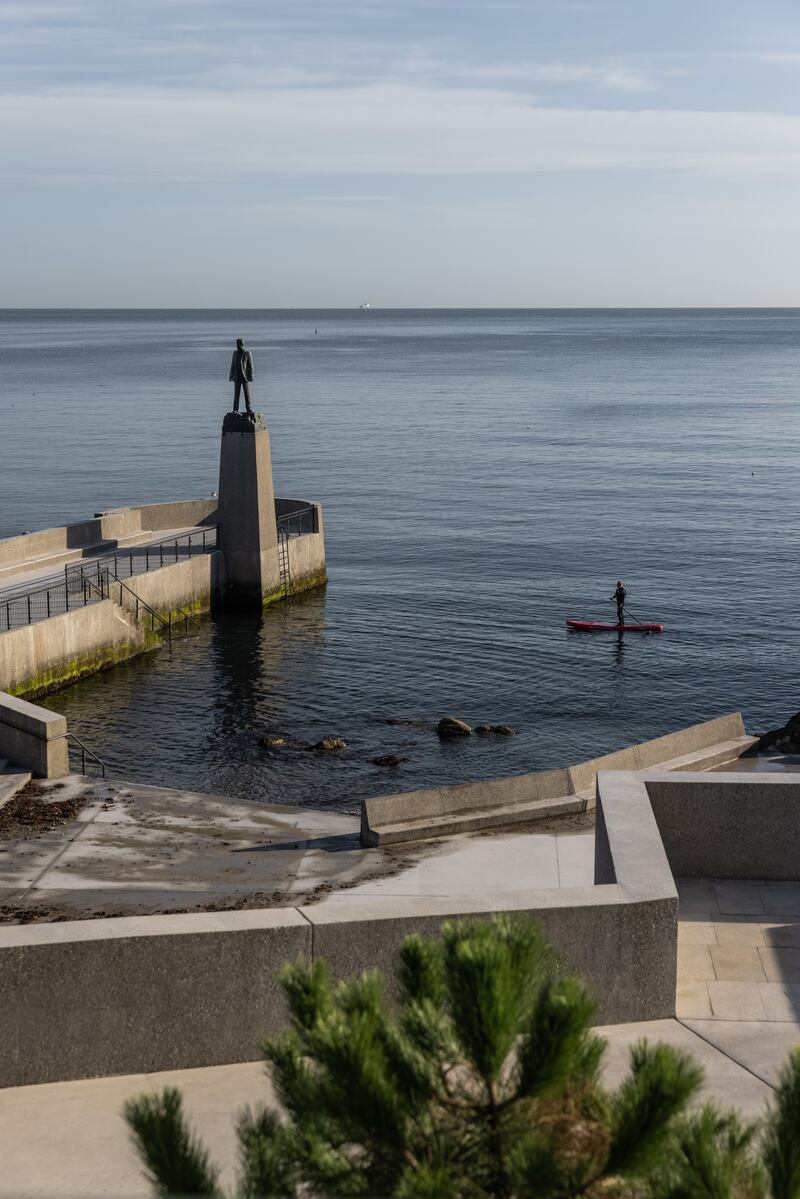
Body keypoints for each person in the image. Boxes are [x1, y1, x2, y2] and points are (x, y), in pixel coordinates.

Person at [229, 338, 254, 414]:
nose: (236, 346)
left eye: (238, 344)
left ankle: (248, 408)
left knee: (247, 394)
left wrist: (251, 376)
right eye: (236, 344)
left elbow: (251, 366)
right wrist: (230, 375)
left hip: (244, 377)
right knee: (236, 394)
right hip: (236, 377)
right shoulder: (235, 353)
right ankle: (235, 409)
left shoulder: (247, 353)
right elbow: (232, 365)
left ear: (241, 344)